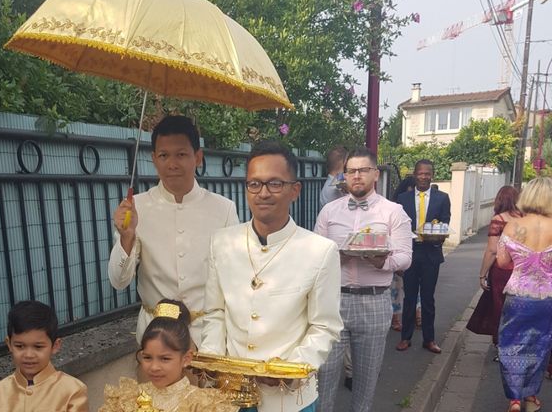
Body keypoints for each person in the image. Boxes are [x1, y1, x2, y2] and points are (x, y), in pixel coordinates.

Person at [201, 140, 342, 412]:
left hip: (289, 400)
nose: (263, 193)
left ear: (295, 190)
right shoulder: (222, 242)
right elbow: (215, 311)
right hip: (230, 395)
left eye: (275, 183)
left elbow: (325, 326)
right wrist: (213, 362)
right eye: (254, 184)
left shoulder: (320, 251)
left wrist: (290, 370)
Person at [109, 115, 239, 346]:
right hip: (154, 339)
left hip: (208, 336)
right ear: (153, 159)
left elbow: (235, 278)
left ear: (197, 157)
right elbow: (118, 281)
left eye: (181, 154)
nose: (172, 164)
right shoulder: (135, 209)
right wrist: (127, 237)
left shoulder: (224, 209)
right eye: (163, 155)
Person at [315, 147, 413, 412]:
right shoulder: (329, 212)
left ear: (375, 174)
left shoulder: (394, 212)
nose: (356, 176)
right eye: (351, 171)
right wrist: (338, 257)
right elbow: (315, 256)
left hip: (374, 301)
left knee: (365, 381)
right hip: (333, 303)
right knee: (324, 379)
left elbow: (405, 257)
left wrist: (384, 262)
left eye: (363, 170)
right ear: (344, 175)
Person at [99, 299, 236, 412]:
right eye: (147, 357)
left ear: (186, 359)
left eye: (165, 359)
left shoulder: (201, 404)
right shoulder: (128, 398)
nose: (154, 367)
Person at [496, 177, 552, 412]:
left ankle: (515, 398)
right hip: (547, 298)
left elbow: (501, 261)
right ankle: (531, 396)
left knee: (511, 345)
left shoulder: (512, 226)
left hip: (518, 296)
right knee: (539, 346)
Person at [0, 301, 88, 412]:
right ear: (9, 344)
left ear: (55, 346)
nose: (28, 355)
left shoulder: (73, 391)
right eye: (20, 346)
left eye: (38, 347)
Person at [395, 159, 451, 355]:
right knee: (409, 297)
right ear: (415, 174)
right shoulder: (403, 199)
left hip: (430, 253)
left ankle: (429, 339)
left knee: (428, 298)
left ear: (432, 175)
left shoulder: (442, 198)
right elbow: (397, 227)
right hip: (410, 252)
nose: (424, 177)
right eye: (420, 173)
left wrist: (437, 239)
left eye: (427, 173)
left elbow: (445, 223)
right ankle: (405, 338)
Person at [467, 186, 521, 347]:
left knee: (500, 306)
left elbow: (492, 250)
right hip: (521, 269)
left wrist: (482, 274)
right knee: (516, 308)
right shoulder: (524, 218)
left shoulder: (499, 219)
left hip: (502, 271)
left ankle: (501, 343)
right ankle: (516, 340)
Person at [390, 176, 417, 332]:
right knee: (397, 287)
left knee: (413, 288)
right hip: (397, 249)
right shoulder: (395, 207)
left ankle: (416, 315)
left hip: (415, 249)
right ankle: (396, 317)